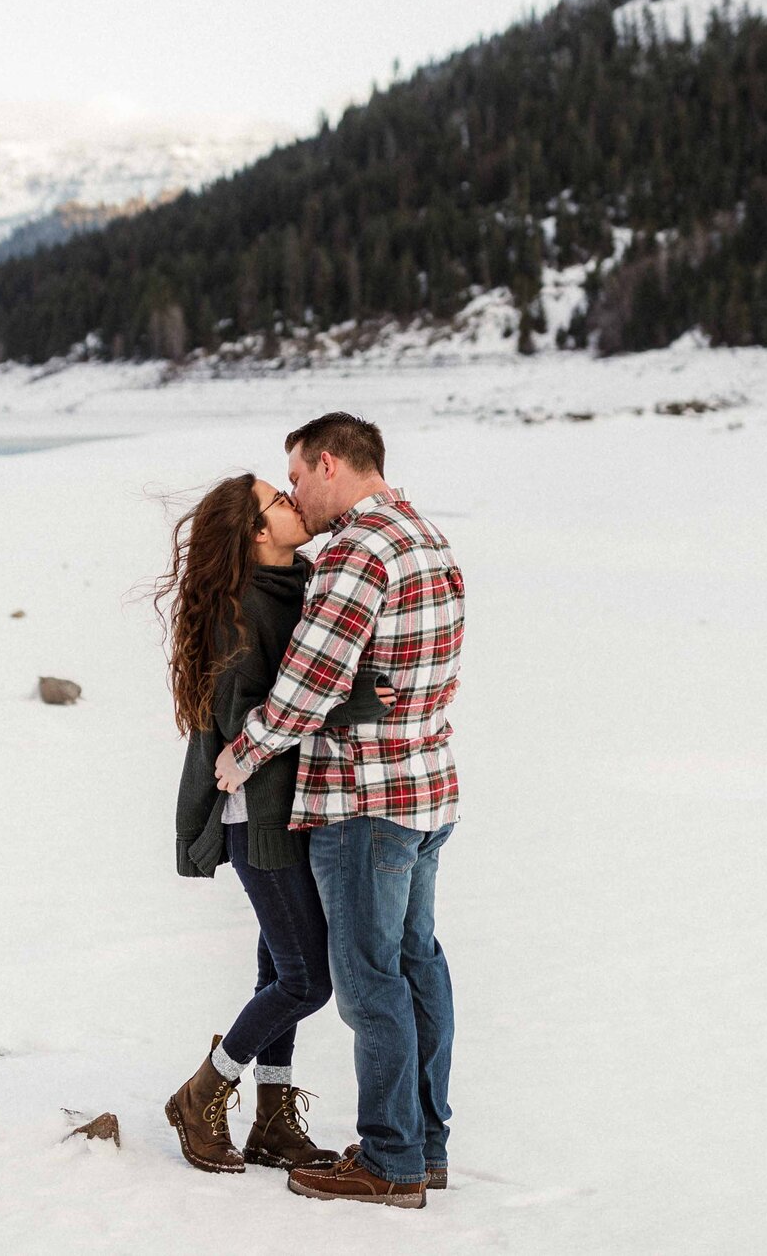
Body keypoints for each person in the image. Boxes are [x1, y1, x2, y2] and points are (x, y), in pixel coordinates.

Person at [215, 413, 464, 1210]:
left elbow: (309, 685)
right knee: (417, 963)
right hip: (427, 788)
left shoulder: (357, 551)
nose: (292, 493)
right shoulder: (422, 534)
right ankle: (424, 1147)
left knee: (365, 981)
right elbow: (425, 672)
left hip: (363, 799)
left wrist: (242, 752)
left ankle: (389, 1162)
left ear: (328, 463)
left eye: (294, 477)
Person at [159, 472, 386, 1175]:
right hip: (256, 816)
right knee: (306, 978)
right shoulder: (242, 609)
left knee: (276, 963)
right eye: (277, 500)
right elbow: (242, 721)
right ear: (257, 534)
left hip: (296, 807)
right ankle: (205, 1088)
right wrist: (354, 703)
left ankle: (272, 1117)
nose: (293, 503)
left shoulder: (300, 582)